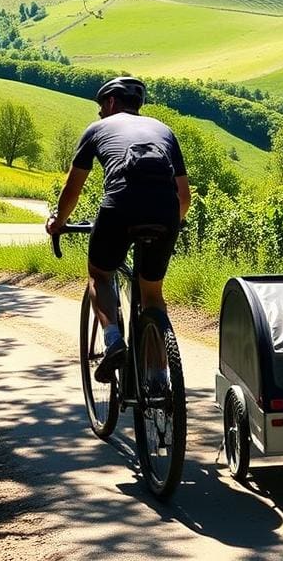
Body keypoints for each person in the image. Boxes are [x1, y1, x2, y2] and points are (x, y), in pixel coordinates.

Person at [45, 77, 190, 382]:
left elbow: (73, 189)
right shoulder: (164, 131)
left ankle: (112, 340)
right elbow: (184, 198)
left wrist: (58, 222)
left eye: (101, 107)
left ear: (110, 102)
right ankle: (159, 381)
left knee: (100, 275)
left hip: (120, 205)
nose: (99, 114)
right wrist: (169, 223)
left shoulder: (96, 130)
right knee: (153, 296)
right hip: (165, 210)